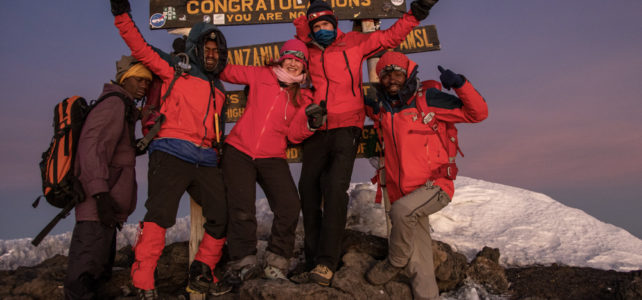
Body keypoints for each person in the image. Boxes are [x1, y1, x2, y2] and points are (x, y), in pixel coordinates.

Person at [290, 0, 440, 286]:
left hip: (347, 127)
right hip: (317, 128)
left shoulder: (354, 43)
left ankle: (326, 263)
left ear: (335, 24)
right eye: (316, 26)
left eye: (326, 24)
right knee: (307, 191)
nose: (322, 30)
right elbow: (296, 40)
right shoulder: (306, 48)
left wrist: (416, 14)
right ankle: (311, 259)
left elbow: (389, 37)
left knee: (335, 190)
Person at [109, 0, 230, 298]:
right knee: (160, 215)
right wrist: (121, 15)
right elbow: (139, 47)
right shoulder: (175, 68)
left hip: (206, 159)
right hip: (170, 151)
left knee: (222, 214)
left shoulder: (220, 89)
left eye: (217, 51)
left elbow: (218, 129)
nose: (212, 55)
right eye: (208, 49)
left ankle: (202, 271)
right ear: (196, 48)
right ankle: (142, 281)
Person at [364, 51, 488, 300]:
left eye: (397, 73)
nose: (391, 79)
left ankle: (395, 260)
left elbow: (478, 113)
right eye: (385, 75)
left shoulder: (428, 99)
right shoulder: (383, 108)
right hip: (404, 192)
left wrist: (461, 84)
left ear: (408, 73)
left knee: (400, 212)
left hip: (435, 186)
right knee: (419, 260)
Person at [217, 39, 324, 288]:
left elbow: (295, 135)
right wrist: (202, 55)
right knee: (242, 209)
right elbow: (226, 71)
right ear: (281, 58)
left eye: (299, 59)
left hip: (272, 156)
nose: (294, 62)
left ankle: (276, 263)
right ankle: (242, 263)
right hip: (239, 150)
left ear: (304, 65)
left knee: (288, 205)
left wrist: (311, 125)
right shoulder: (261, 75)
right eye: (289, 57)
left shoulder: (304, 96)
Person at [64, 56, 152, 299]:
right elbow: (92, 149)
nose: (144, 85)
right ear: (125, 78)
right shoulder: (114, 105)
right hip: (97, 207)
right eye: (139, 79)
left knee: (97, 279)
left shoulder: (123, 108)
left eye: (148, 81)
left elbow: (114, 153)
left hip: (105, 209)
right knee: (83, 281)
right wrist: (100, 194)